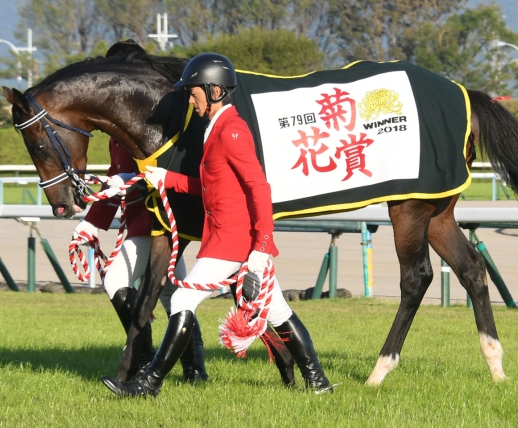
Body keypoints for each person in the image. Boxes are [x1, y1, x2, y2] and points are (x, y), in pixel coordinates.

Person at [100, 52, 334, 398]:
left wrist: (263, 245)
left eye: (194, 93)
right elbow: (211, 186)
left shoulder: (233, 131)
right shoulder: (216, 128)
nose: (191, 100)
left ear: (214, 91)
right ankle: (319, 383)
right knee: (278, 312)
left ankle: (148, 384)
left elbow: (258, 187)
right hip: (227, 240)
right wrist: (167, 179)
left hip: (233, 242)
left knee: (181, 299)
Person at [73, 136, 208, 383]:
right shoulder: (116, 135)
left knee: (116, 281)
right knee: (173, 294)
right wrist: (91, 222)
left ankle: (145, 357)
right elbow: (117, 175)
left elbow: (140, 173)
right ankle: (195, 369)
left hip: (155, 219)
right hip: (150, 220)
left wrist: (124, 181)